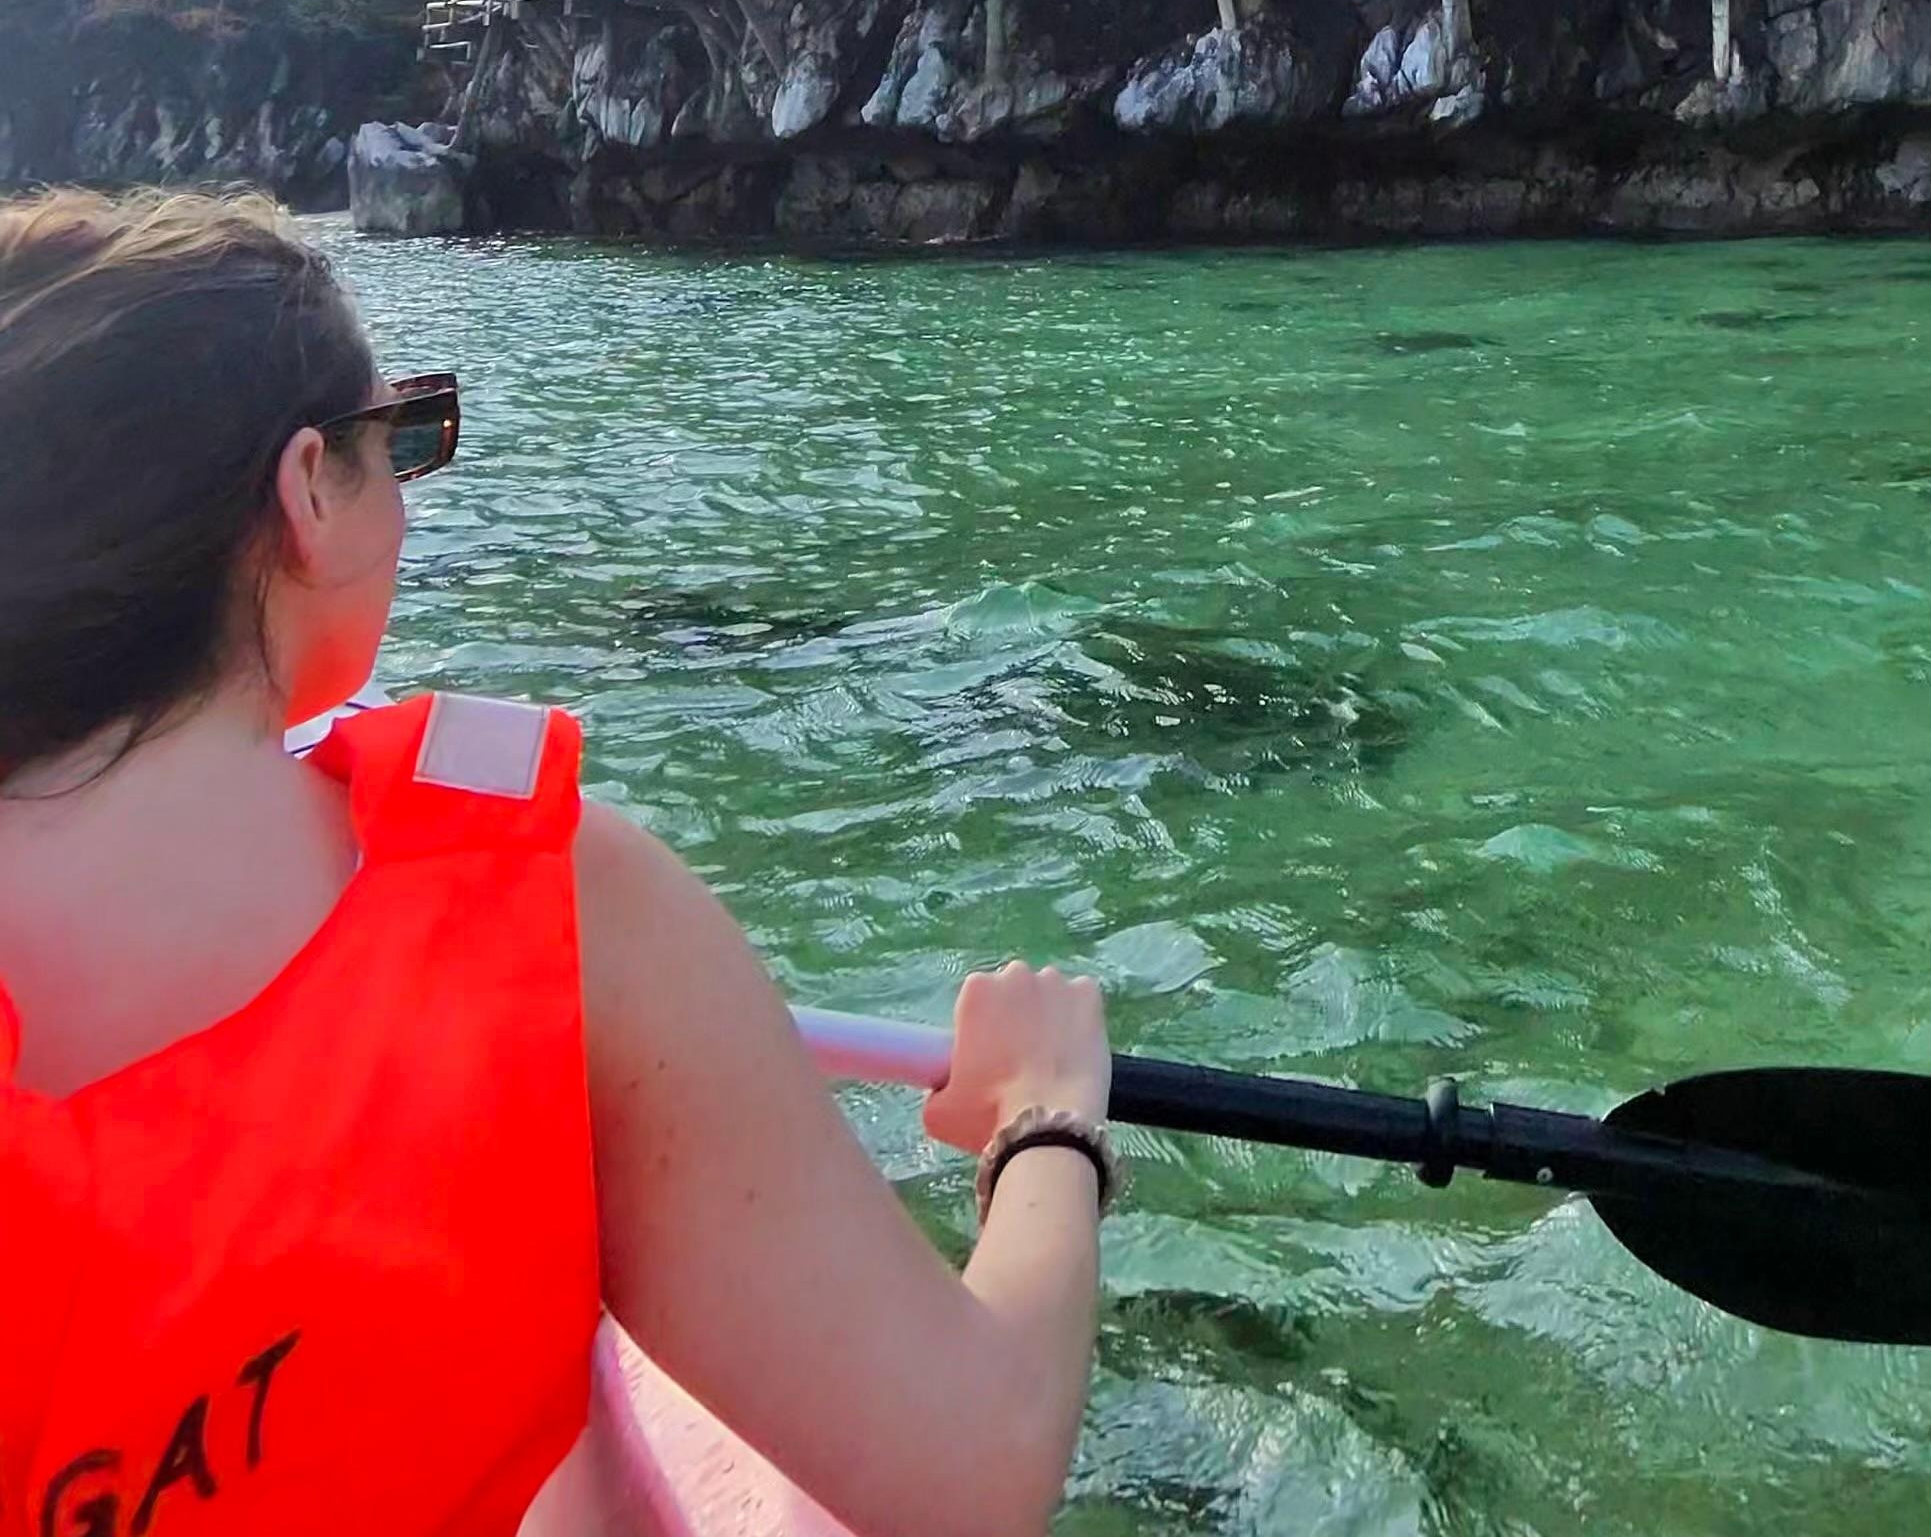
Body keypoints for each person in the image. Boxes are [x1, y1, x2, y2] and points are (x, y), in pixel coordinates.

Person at [0, 189, 1109, 1537]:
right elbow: (971, 1472)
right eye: (399, 442)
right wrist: (1045, 1118)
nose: (406, 491)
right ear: (307, 491)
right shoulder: (555, 899)